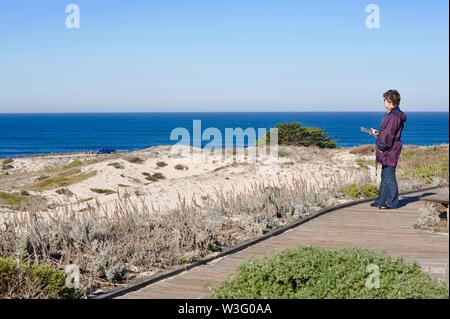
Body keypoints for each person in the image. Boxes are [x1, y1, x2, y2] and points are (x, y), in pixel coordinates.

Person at [370, 90, 407, 209]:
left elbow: (389, 135)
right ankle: (381, 201)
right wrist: (378, 133)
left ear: (391, 101)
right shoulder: (392, 114)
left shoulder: (393, 116)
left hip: (390, 149)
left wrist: (381, 146)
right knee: (385, 175)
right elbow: (387, 133)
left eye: (385, 99)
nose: (384, 102)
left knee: (389, 176)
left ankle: (392, 202)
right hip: (390, 148)